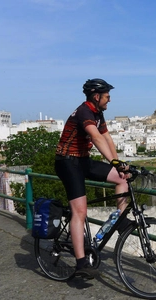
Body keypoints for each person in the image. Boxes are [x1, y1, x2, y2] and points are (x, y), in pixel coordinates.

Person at [55, 78, 130, 279]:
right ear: (96, 97)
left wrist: (118, 164)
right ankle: (80, 263)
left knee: (122, 179)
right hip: (67, 162)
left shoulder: (98, 113)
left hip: (83, 160)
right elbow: (96, 138)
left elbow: (106, 137)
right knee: (79, 211)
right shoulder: (84, 112)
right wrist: (113, 161)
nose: (110, 100)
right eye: (107, 96)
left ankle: (121, 221)